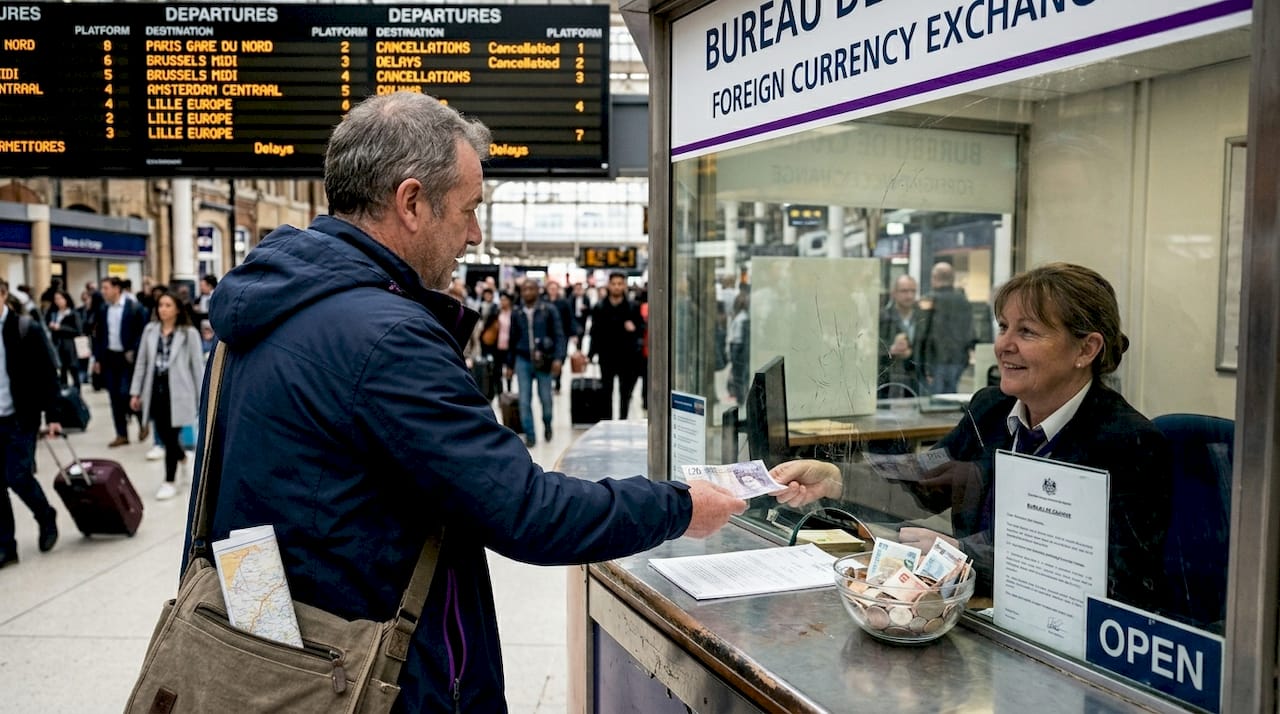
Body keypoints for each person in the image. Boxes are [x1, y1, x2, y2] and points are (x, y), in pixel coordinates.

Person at [199, 91, 746, 712]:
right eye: (468, 209)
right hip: (377, 681)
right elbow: (527, 511)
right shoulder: (386, 337)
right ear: (411, 203)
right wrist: (678, 506)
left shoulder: (266, 310)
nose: (475, 233)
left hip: (284, 662)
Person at [770, 263, 1172, 612]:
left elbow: (1108, 571)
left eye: (1027, 331)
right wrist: (835, 478)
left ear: (1086, 348)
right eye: (1003, 327)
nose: (1003, 345)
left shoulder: (1128, 442)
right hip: (977, 608)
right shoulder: (991, 409)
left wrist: (960, 555)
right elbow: (928, 476)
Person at [0, 279, 63, 568]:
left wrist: (52, 416)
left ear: (3, 296)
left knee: (18, 475)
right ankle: (6, 546)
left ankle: (45, 514)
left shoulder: (25, 328)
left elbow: (48, 373)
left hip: (20, 416)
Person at [129, 294, 204, 501]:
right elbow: (142, 363)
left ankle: (169, 481)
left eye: (168, 305)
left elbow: (197, 368)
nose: (163, 309)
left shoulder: (189, 334)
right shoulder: (150, 331)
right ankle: (183, 456)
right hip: (155, 390)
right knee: (163, 433)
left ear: (177, 309)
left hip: (179, 392)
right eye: (160, 305)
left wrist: (202, 398)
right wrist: (136, 392)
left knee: (171, 436)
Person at [504, 279, 564, 447]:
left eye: (531, 289)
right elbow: (512, 339)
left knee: (546, 399)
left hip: (544, 360)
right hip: (522, 360)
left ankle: (547, 423)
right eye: (524, 289)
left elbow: (559, 335)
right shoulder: (517, 312)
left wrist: (558, 358)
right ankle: (530, 435)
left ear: (538, 291)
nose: (527, 292)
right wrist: (509, 365)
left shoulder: (549, 310)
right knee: (524, 400)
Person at [92, 277, 147, 447]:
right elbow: (99, 336)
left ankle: (142, 421)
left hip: (128, 358)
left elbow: (142, 333)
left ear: (117, 289)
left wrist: (134, 350)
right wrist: (98, 359)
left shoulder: (134, 308)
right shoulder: (103, 310)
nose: (104, 291)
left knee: (127, 393)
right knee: (114, 397)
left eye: (106, 288)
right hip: (110, 357)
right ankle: (121, 434)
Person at [589, 272, 645, 419]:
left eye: (620, 284)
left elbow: (642, 328)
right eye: (614, 284)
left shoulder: (632, 307)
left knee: (625, 393)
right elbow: (594, 332)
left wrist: (634, 329)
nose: (616, 287)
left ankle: (623, 421)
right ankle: (607, 421)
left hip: (627, 356)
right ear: (609, 285)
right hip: (606, 355)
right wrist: (590, 354)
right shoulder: (600, 307)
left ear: (624, 286)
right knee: (606, 391)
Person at [917, 262, 974, 394]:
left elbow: (922, 333)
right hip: (958, 359)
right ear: (952, 279)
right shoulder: (963, 301)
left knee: (933, 400)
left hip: (934, 360)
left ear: (934, 278)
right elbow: (971, 331)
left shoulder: (928, 300)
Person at [878, 274, 924, 398]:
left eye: (912, 291)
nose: (909, 296)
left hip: (915, 375)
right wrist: (890, 350)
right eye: (904, 291)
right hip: (887, 376)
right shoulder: (883, 317)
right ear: (894, 293)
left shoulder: (922, 317)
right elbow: (873, 345)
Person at [46, 290, 83, 389]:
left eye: (60, 298)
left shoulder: (73, 313)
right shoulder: (54, 313)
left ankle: (77, 394)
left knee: (73, 371)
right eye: (56, 299)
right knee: (62, 372)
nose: (58, 301)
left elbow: (78, 330)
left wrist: (61, 327)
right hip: (57, 344)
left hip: (70, 345)